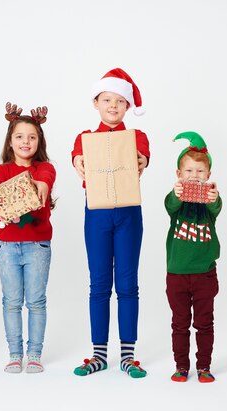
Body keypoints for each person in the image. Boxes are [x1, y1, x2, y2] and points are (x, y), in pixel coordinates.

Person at [71, 68, 150, 378]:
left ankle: (128, 356)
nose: (113, 106)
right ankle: (99, 354)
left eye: (119, 101)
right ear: (96, 103)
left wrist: (141, 160)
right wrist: (78, 160)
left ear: (128, 106)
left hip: (129, 213)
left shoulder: (137, 137)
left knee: (128, 284)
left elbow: (142, 156)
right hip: (97, 213)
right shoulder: (85, 139)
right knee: (99, 283)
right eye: (107, 100)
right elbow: (77, 156)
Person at [0, 103, 56, 374]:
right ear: (10, 141)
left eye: (32, 137)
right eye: (19, 137)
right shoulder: (0, 171)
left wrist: (39, 188)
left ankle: (35, 354)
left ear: (39, 141)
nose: (26, 142)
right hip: (7, 245)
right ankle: (15, 354)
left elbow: (45, 181)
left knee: (36, 301)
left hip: (37, 245)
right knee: (11, 301)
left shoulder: (44, 169)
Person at [164, 132, 221, 383]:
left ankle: (204, 366)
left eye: (200, 171)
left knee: (204, 323)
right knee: (180, 324)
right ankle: (181, 366)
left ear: (208, 175)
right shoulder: (176, 200)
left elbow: (216, 207)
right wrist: (176, 193)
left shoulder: (210, 200)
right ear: (179, 174)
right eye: (188, 171)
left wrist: (214, 197)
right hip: (177, 273)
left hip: (204, 273)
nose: (194, 176)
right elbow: (170, 206)